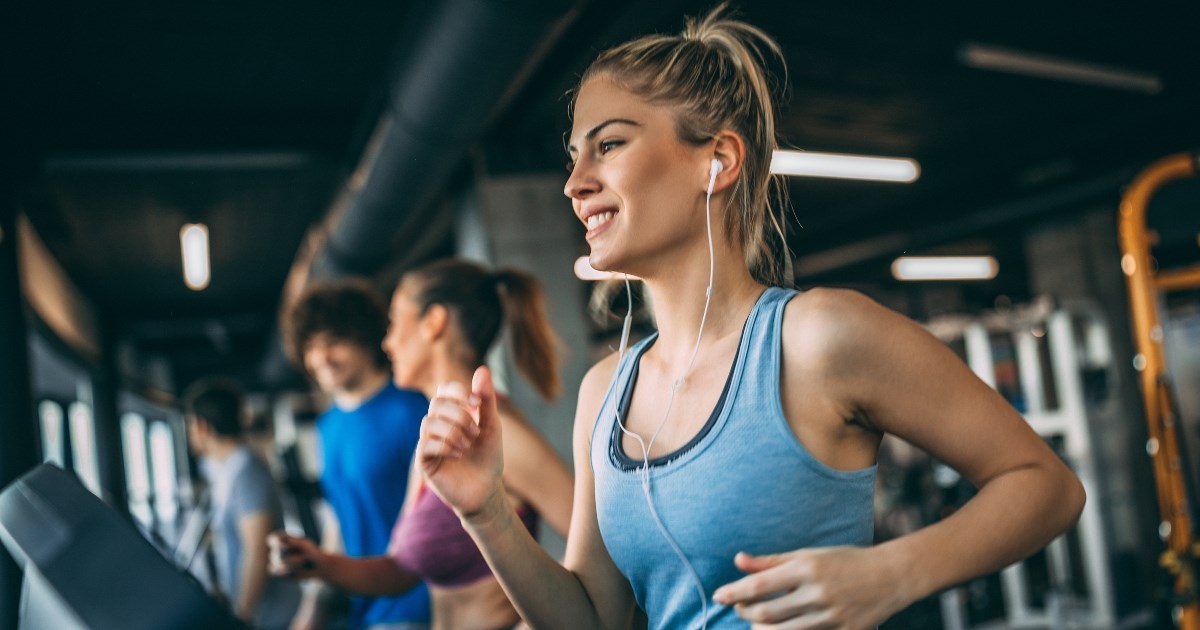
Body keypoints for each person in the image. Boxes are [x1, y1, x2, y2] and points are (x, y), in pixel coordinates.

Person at [413, 6, 1087, 630]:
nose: (574, 182)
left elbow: (1046, 486)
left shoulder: (818, 340)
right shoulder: (604, 393)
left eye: (609, 145)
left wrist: (895, 571)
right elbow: (598, 623)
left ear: (718, 160)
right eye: (574, 156)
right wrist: (488, 512)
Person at [270, 259, 573, 630]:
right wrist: (317, 563)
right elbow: (400, 570)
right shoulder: (432, 436)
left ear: (434, 323)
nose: (387, 342)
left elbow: (600, 552)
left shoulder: (498, 434)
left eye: (396, 321)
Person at [280, 279, 431, 630]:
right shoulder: (327, 426)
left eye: (334, 343)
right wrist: (312, 608)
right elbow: (340, 518)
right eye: (311, 347)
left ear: (367, 340)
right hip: (361, 608)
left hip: (417, 605)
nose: (322, 358)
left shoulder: (414, 409)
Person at [184, 377, 301, 629]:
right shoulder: (227, 470)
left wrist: (243, 616)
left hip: (271, 618)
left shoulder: (246, 469)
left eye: (190, 425)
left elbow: (257, 550)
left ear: (202, 426)